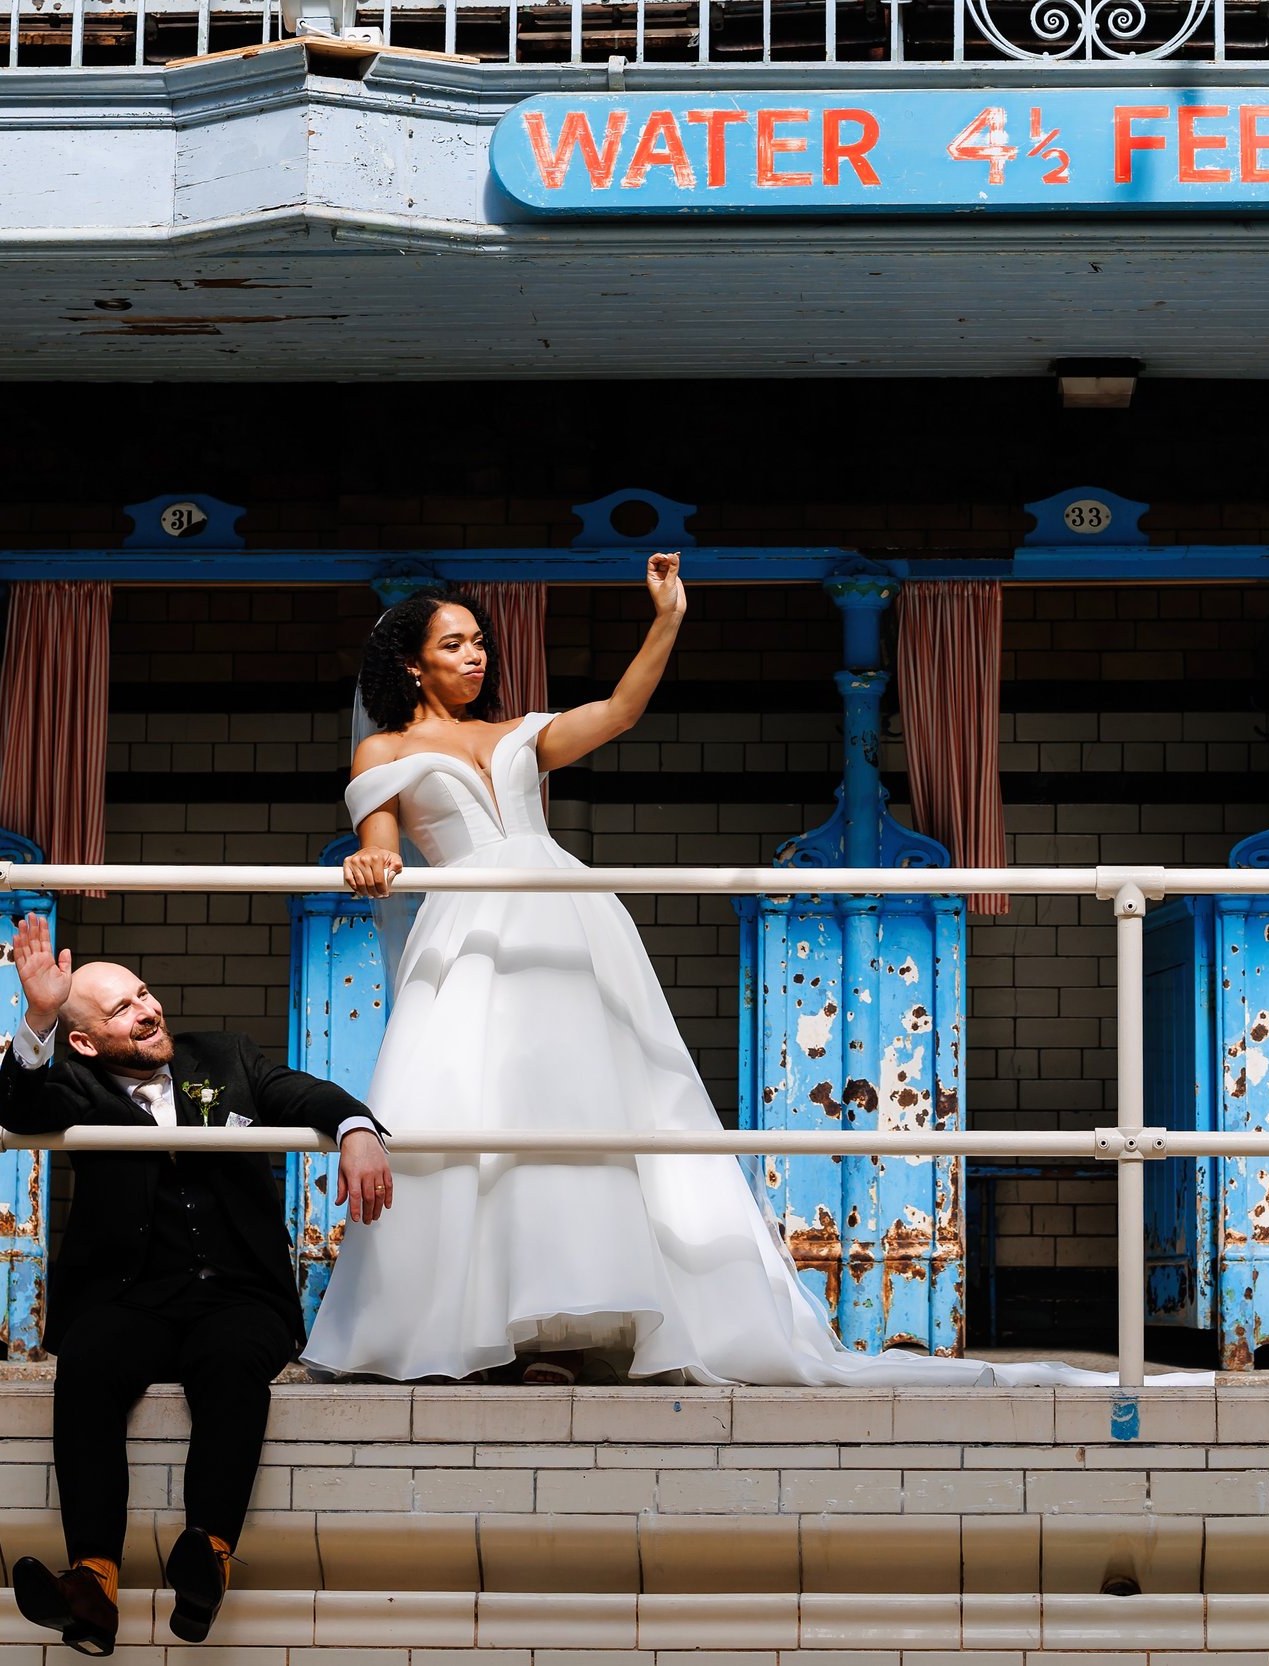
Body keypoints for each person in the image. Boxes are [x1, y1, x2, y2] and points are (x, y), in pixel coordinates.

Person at [301, 558, 1187, 1388]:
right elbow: (381, 851)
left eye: (479, 640)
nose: (475, 654)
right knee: (472, 1105)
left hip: (565, 919)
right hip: (468, 935)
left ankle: (570, 1326)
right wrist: (369, 867)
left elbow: (615, 712)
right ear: (413, 665)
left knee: (585, 1106)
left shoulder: (517, 733)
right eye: (454, 643)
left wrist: (667, 621)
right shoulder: (381, 753)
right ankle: (463, 1323)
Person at [0, 922, 394, 1655]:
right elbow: (17, 1109)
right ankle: (92, 1583)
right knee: (87, 1363)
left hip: (240, 1295)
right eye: (119, 1010)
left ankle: (207, 1560)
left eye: (143, 995)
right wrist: (41, 1017)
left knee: (231, 1364)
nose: (146, 1011)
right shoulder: (70, 1082)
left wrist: (355, 1128)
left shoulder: (226, 1056)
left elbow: (297, 1092)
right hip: (132, 1297)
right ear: (84, 1041)